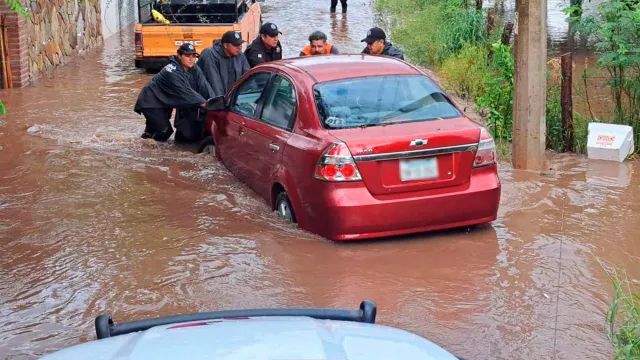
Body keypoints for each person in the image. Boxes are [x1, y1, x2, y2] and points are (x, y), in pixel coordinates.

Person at [134, 43, 213, 142]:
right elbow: (185, 92)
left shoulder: (194, 68)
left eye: (193, 56)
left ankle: (142, 143)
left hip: (164, 102)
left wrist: (214, 100)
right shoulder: (171, 71)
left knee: (152, 130)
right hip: (151, 101)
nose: (191, 59)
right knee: (165, 130)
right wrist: (204, 103)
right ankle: (153, 153)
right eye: (187, 56)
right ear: (179, 56)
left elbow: (204, 84)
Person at [197, 31, 251, 98]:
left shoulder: (240, 55)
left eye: (240, 45)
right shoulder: (209, 55)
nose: (239, 48)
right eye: (235, 45)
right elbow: (214, 82)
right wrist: (221, 102)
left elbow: (248, 77)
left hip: (234, 99)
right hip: (212, 101)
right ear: (225, 45)